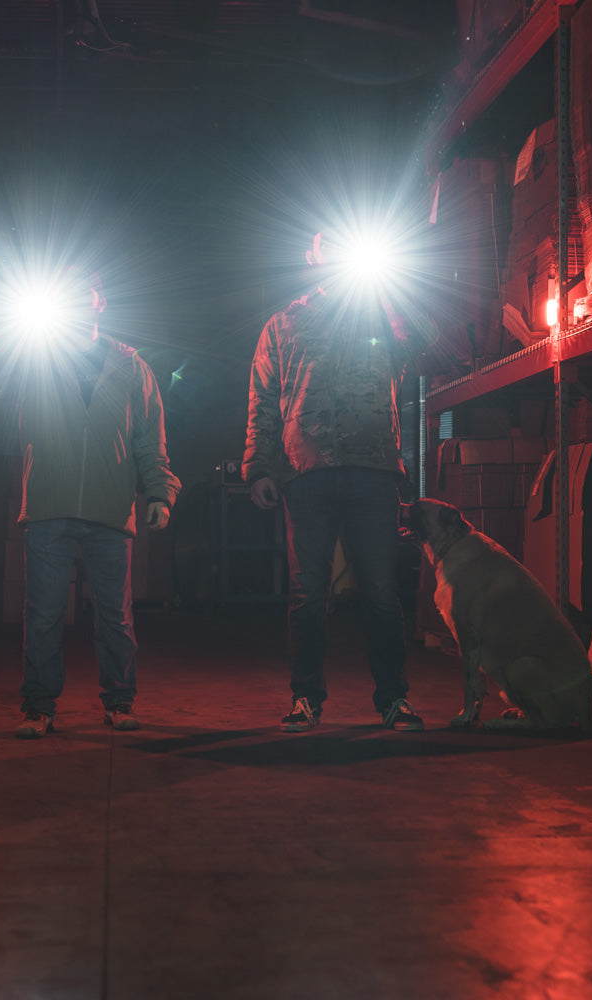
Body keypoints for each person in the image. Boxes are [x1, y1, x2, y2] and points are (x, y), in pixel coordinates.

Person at [242, 231, 437, 733]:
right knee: (308, 594)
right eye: (328, 244)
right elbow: (263, 401)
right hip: (306, 473)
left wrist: (388, 287)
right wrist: (259, 468)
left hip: (372, 471)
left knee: (380, 591)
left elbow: (428, 337)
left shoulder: (384, 313)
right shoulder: (283, 324)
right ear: (311, 257)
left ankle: (394, 699)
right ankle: (305, 698)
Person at [0, 270, 181, 737]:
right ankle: (39, 707)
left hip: (110, 508)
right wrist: (14, 332)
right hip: (50, 504)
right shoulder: (34, 356)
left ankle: (119, 702)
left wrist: (160, 493)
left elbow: (150, 439)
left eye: (83, 294)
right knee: (44, 613)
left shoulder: (131, 366)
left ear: (100, 302)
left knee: (115, 615)